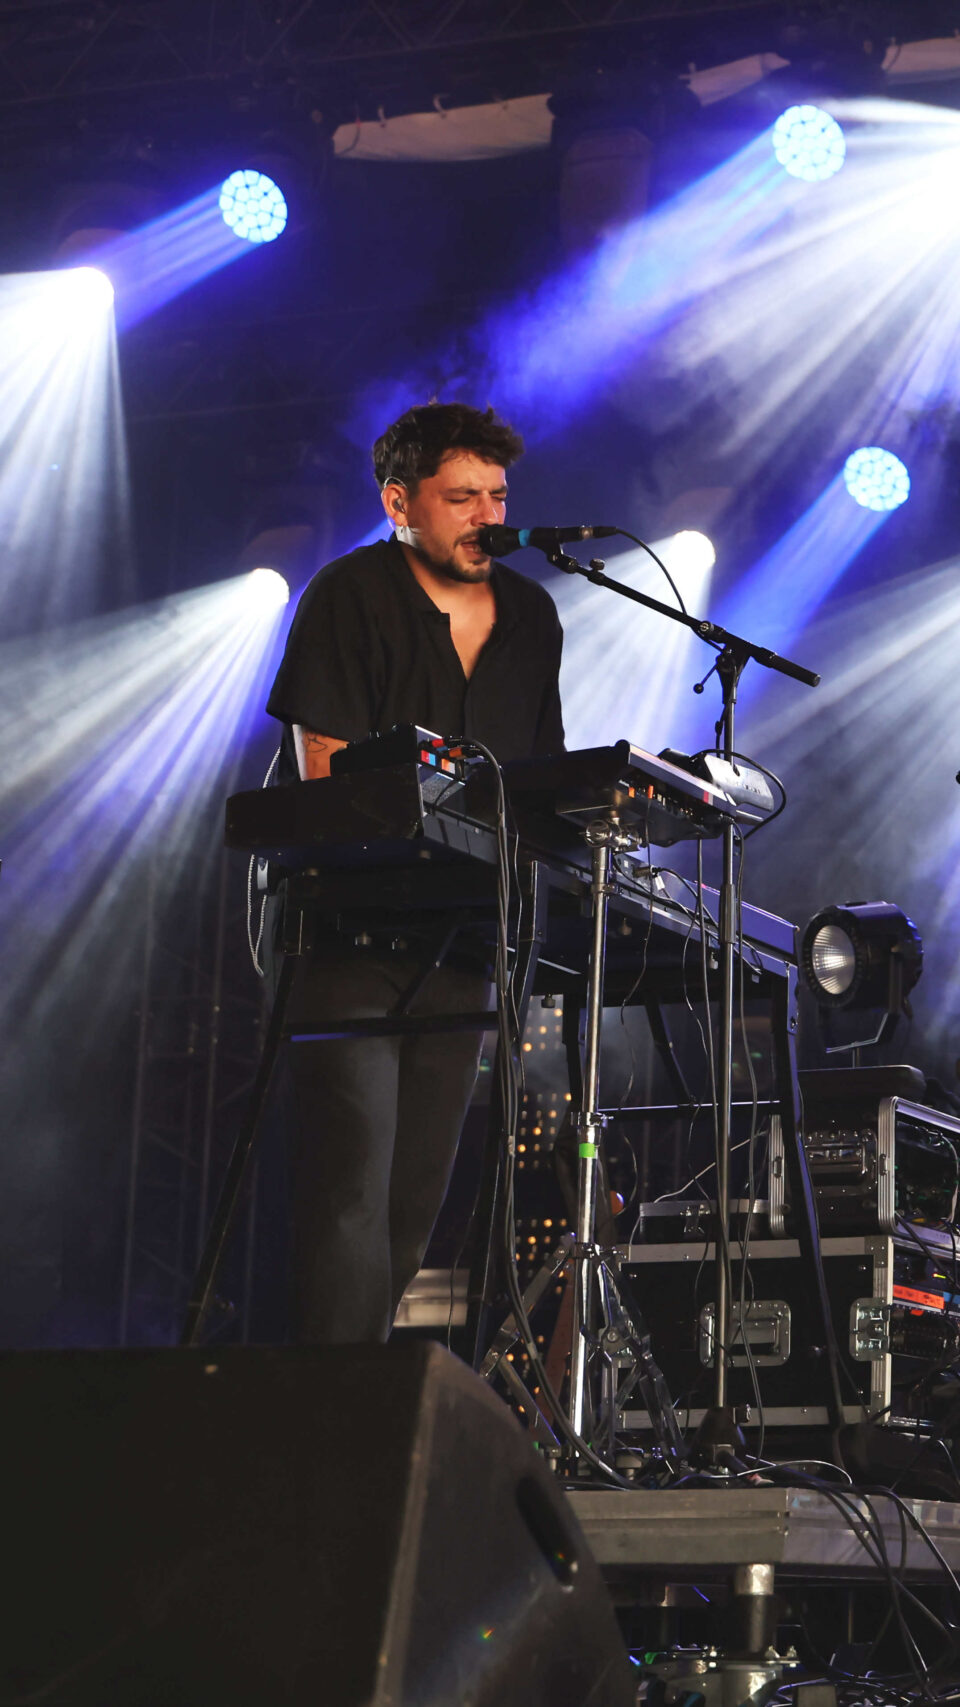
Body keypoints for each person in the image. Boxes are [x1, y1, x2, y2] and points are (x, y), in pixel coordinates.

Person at [262, 402, 564, 1344]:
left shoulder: (532, 614)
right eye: (461, 496)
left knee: (416, 1198)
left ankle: (354, 1393)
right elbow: (328, 771)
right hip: (348, 929)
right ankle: (330, 1413)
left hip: (461, 939)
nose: (487, 514)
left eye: (499, 495)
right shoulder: (349, 594)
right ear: (401, 501)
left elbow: (540, 783)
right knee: (351, 1177)